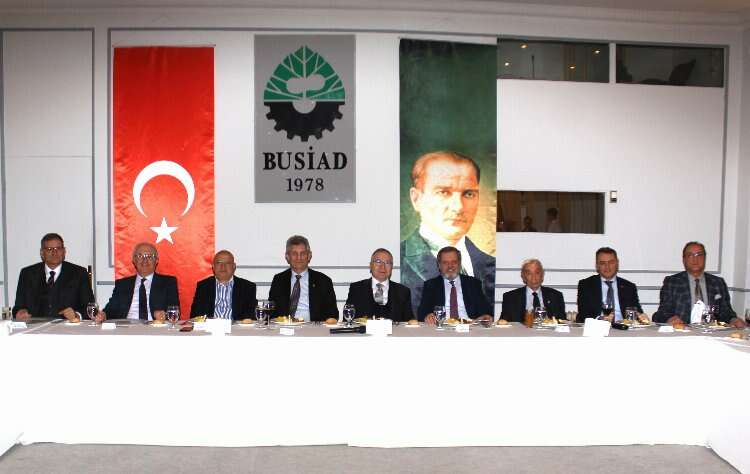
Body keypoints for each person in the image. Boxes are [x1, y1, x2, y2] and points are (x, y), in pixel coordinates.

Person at [401, 150, 495, 312]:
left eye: (468, 194)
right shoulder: (397, 261)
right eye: (443, 192)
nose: (458, 207)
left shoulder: (491, 263)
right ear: (416, 199)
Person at [653, 241, 745, 327]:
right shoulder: (672, 282)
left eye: (699, 255)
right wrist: (669, 319)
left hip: (712, 333)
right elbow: (662, 313)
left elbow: (726, 312)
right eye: (690, 255)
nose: (695, 259)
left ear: (705, 258)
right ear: (684, 259)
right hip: (682, 332)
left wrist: (733, 320)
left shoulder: (718, 283)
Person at [12, 232, 93, 321]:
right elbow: (18, 307)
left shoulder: (79, 273)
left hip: (68, 326)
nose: (55, 252)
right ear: (42, 253)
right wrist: (20, 312)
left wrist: (76, 315)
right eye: (49, 249)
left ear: (64, 251)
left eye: (58, 248)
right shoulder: (27, 274)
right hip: (35, 326)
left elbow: (90, 308)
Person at [101, 242, 179, 321]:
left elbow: (174, 310)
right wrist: (103, 315)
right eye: (140, 256)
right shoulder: (122, 284)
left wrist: (164, 315)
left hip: (154, 326)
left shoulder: (168, 283)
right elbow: (110, 310)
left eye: (149, 256)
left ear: (156, 260)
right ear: (134, 260)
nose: (145, 260)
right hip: (127, 326)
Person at [268, 235, 338, 322]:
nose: (299, 258)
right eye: (294, 254)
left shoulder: (323, 281)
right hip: (285, 327)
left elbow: (333, 314)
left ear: (309, 256)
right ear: (287, 257)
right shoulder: (279, 280)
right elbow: (271, 312)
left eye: (303, 253)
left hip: (313, 328)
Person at [417, 246, 492, 324]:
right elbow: (422, 313)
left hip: (469, 326)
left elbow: (486, 311)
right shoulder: (431, 285)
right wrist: (427, 316)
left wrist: (485, 316)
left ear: (459, 264)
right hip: (441, 326)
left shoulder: (473, 283)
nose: (450, 266)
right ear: (439, 265)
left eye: (454, 262)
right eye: (445, 263)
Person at [345, 248, 413, 322]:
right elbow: (347, 319)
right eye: (378, 262)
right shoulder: (356, 289)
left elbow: (409, 321)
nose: (382, 267)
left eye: (387, 263)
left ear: (392, 267)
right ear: (370, 265)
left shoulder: (403, 291)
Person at [577, 247, 643, 322]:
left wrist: (641, 317)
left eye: (611, 262)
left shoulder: (629, 287)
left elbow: (637, 313)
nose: (607, 267)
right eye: (602, 263)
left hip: (623, 327)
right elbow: (583, 315)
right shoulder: (586, 285)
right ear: (597, 266)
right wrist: (600, 319)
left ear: (617, 263)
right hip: (598, 326)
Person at [190, 250, 257, 320]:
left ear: (234, 266)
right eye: (219, 263)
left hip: (235, 326)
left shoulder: (248, 287)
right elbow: (195, 315)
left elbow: (250, 317)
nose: (223, 266)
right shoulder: (203, 286)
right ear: (213, 266)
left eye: (227, 263)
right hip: (210, 326)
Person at [500, 258, 565, 322]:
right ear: (523, 276)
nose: (534, 278)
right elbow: (503, 322)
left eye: (537, 273)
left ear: (542, 275)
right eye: (529, 274)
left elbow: (562, 321)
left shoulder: (556, 296)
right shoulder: (510, 297)